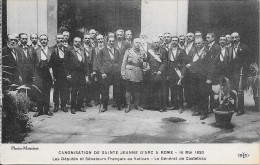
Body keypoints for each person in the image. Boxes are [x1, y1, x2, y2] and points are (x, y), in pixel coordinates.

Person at [184, 37, 214, 120]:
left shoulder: (207, 52)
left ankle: (204, 112)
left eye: (199, 43)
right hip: (194, 76)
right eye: (196, 43)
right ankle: (198, 109)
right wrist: (189, 65)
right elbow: (193, 62)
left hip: (203, 77)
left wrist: (209, 78)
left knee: (203, 94)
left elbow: (211, 66)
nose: (197, 45)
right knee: (195, 93)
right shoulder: (194, 52)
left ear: (203, 43)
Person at [65, 37, 89, 114]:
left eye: (79, 42)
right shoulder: (69, 51)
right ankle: (73, 107)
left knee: (82, 90)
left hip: (82, 73)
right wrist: (68, 74)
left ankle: (80, 106)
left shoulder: (82, 50)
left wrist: (86, 75)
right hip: (73, 73)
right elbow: (65, 64)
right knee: (74, 91)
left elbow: (85, 64)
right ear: (73, 42)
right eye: (76, 41)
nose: (77, 43)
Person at [96, 36, 120, 112]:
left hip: (115, 74)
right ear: (107, 42)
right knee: (105, 91)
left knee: (117, 89)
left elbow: (119, 62)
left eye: (113, 41)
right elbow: (98, 63)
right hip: (106, 74)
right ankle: (104, 106)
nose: (111, 42)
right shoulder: (102, 51)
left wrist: (118, 71)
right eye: (110, 41)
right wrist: (102, 72)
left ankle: (118, 105)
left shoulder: (116, 50)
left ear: (114, 42)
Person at [33, 34, 54, 117]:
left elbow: (54, 64)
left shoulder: (52, 51)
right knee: (39, 91)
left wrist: (53, 75)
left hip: (48, 73)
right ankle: (39, 110)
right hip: (38, 73)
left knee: (47, 91)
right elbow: (33, 63)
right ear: (39, 41)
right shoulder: (35, 51)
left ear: (47, 41)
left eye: (45, 39)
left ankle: (46, 110)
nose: (43, 41)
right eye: (42, 40)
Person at [121, 38, 145, 113]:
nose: (138, 44)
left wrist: (142, 62)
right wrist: (123, 72)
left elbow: (144, 64)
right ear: (133, 43)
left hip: (138, 72)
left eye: (139, 43)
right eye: (136, 42)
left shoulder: (142, 52)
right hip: (130, 72)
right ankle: (128, 105)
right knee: (129, 89)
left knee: (137, 90)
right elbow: (124, 62)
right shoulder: (128, 51)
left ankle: (137, 104)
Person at [229, 32, 251, 116]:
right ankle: (235, 107)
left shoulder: (244, 47)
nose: (234, 39)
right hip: (232, 72)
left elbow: (247, 60)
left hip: (241, 72)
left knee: (240, 91)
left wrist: (244, 70)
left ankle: (241, 110)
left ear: (239, 38)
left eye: (236, 37)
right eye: (233, 38)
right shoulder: (230, 48)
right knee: (233, 90)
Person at [166, 36, 187, 113]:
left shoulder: (182, 50)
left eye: (175, 40)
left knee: (180, 89)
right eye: (173, 40)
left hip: (178, 71)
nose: (174, 42)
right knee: (172, 88)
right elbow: (168, 63)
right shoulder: (169, 50)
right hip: (171, 72)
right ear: (171, 41)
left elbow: (184, 63)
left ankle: (181, 106)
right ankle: (174, 105)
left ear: (178, 42)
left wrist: (182, 73)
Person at [147, 37, 167, 112]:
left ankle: (161, 107)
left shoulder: (163, 51)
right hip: (151, 72)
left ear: (160, 43)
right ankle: (154, 106)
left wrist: (160, 70)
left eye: (157, 42)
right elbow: (147, 60)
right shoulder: (149, 51)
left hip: (160, 73)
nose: (156, 44)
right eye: (154, 42)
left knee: (160, 91)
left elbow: (165, 62)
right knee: (153, 89)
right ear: (152, 43)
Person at [50, 33, 69, 113]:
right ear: (56, 39)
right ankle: (56, 105)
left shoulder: (67, 49)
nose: (60, 40)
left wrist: (68, 74)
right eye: (59, 38)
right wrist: (52, 76)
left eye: (62, 38)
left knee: (64, 90)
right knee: (56, 90)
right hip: (56, 74)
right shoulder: (52, 49)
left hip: (64, 74)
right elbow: (50, 64)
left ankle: (63, 105)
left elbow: (69, 63)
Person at [115, 29, 132, 110]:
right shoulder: (113, 43)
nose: (119, 36)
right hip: (115, 67)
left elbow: (131, 53)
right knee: (117, 85)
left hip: (124, 67)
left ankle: (124, 102)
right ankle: (117, 102)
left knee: (124, 85)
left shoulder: (127, 43)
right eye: (118, 35)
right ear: (116, 35)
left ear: (123, 36)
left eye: (121, 35)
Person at [82, 33, 97, 107]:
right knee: (83, 84)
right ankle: (82, 101)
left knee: (90, 84)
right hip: (83, 68)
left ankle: (88, 101)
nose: (87, 40)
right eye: (86, 38)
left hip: (90, 68)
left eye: (89, 38)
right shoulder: (81, 48)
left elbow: (94, 59)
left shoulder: (92, 48)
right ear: (83, 39)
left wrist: (94, 70)